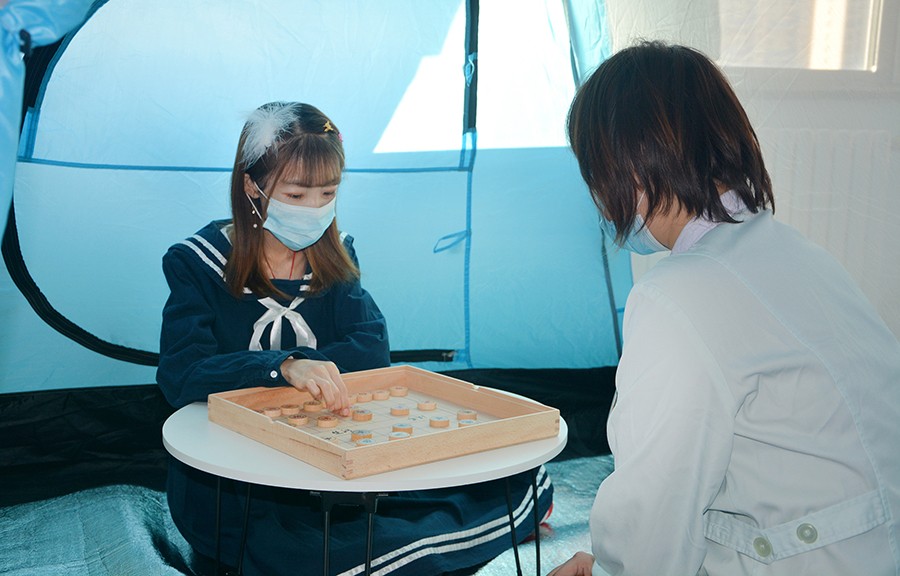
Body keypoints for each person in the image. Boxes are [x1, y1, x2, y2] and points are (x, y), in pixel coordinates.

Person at [157, 101, 552, 576]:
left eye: (328, 193)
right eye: (296, 194)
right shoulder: (198, 262)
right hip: (237, 478)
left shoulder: (335, 256)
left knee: (511, 480)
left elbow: (371, 348)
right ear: (251, 187)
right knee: (313, 555)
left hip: (331, 458)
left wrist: (307, 373)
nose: (314, 209)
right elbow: (181, 374)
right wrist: (284, 367)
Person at [550, 41, 900, 576]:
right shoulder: (800, 254)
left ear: (630, 167)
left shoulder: (676, 298)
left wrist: (605, 569)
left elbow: (655, 512)